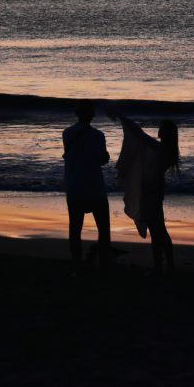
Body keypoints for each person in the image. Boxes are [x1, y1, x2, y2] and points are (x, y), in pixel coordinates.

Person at [107, 110, 180, 276]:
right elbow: (142, 137)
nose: (159, 129)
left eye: (162, 127)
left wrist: (123, 118)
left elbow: (141, 136)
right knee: (158, 230)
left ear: (166, 132)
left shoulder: (162, 149)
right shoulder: (166, 149)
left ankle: (165, 267)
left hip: (152, 191)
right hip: (154, 190)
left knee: (158, 230)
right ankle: (163, 266)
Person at [62, 99, 111, 270]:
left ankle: (77, 263)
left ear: (77, 114)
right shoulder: (98, 136)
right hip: (95, 186)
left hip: (75, 186)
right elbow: (102, 159)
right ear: (92, 115)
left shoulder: (67, 133)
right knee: (103, 230)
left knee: (75, 230)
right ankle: (103, 265)